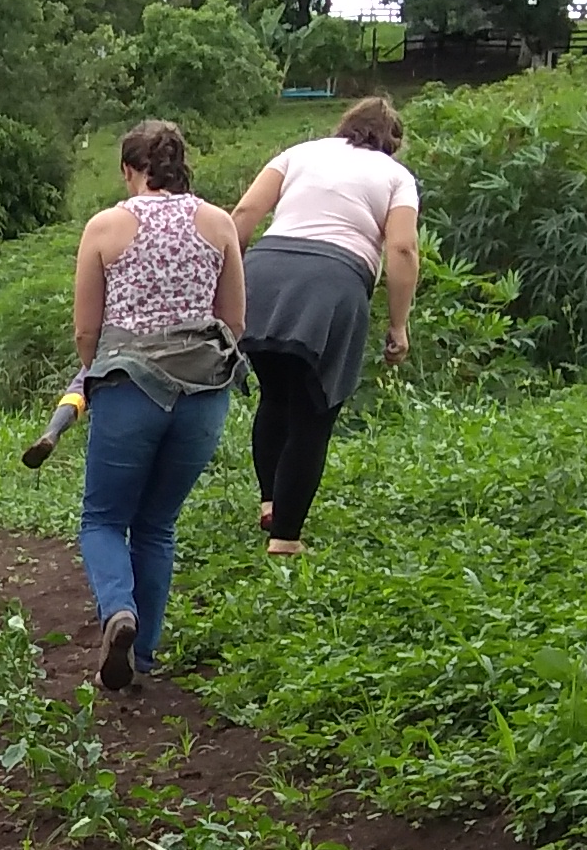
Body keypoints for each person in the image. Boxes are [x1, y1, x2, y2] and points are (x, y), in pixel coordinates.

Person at [67, 119, 247, 690]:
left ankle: (119, 610)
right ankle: (142, 656)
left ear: (129, 170)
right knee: (157, 525)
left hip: (129, 388)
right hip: (202, 395)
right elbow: (234, 322)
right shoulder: (219, 225)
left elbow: (85, 330)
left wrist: (92, 379)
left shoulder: (106, 228)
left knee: (102, 519)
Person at [228, 94, 418, 556]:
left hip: (264, 273)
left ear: (346, 126)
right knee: (314, 411)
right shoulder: (396, 177)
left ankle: (272, 501)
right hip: (333, 282)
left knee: (275, 395)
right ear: (392, 142)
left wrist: (225, 287)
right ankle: (286, 538)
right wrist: (399, 325)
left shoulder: (299, 153)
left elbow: (243, 216)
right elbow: (403, 250)